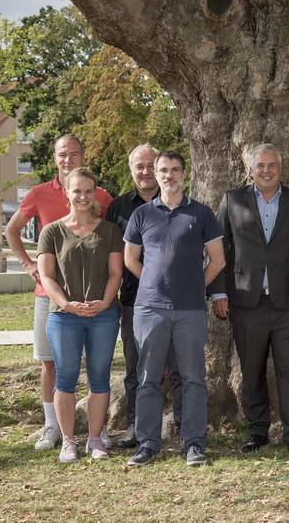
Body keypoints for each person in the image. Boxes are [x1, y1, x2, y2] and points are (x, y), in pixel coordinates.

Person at [209, 143, 289, 457]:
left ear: (280, 168)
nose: (267, 171)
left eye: (272, 165)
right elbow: (220, 251)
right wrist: (218, 292)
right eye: (261, 166)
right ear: (251, 170)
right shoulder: (232, 200)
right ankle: (257, 431)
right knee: (252, 368)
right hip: (246, 301)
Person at [6, 134, 113, 451]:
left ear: (83, 156)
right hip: (49, 297)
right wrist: (28, 266)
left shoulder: (101, 196)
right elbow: (12, 230)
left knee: (98, 367)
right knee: (51, 364)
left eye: (74, 154)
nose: (68, 160)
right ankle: (51, 427)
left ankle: (99, 429)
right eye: (62, 155)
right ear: (55, 158)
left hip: (93, 299)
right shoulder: (39, 194)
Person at [123, 151, 225, 466]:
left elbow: (218, 260)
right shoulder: (141, 214)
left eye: (175, 170)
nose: (169, 175)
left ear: (184, 173)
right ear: (156, 173)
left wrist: (197, 286)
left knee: (193, 377)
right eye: (163, 170)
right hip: (150, 309)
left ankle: (193, 443)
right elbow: (130, 259)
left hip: (190, 309)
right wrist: (153, 283)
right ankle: (148, 443)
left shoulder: (202, 214)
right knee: (148, 377)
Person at [37, 168, 123, 463]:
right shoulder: (51, 231)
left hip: (103, 315)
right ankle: (69, 441)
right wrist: (67, 304)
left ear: (95, 192)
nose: (83, 196)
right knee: (66, 377)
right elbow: (46, 277)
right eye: (77, 191)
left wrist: (105, 302)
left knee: (100, 377)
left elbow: (116, 273)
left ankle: (95, 439)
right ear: (67, 193)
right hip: (64, 316)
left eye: (89, 191)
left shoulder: (110, 230)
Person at [105, 144, 182, 449]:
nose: (146, 171)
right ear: (131, 169)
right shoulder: (119, 208)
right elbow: (114, 258)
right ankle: (136, 426)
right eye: (140, 166)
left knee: (178, 367)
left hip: (178, 302)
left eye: (152, 165)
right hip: (134, 302)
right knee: (137, 368)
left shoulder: (179, 205)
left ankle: (179, 424)